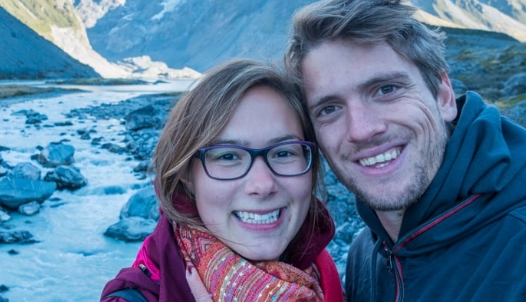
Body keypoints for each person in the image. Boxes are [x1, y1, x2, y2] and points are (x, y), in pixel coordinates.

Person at [284, 0, 526, 301]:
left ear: (443, 96)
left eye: (386, 89)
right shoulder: (366, 257)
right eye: (329, 109)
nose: (362, 130)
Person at [101, 59, 344, 302]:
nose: (263, 185)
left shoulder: (324, 272)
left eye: (283, 153)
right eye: (228, 156)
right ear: (186, 174)